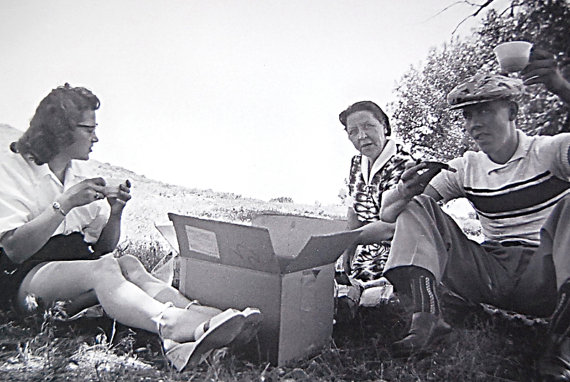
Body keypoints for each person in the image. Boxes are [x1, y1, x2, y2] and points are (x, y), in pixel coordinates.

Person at [0, 83, 262, 371]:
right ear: (61, 129)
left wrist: (115, 213)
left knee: (126, 262)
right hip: (28, 277)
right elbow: (14, 249)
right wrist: (64, 204)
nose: (96, 137)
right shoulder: (12, 169)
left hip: (77, 269)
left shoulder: (78, 172)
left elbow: (102, 249)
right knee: (104, 268)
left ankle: (202, 319)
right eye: (89, 129)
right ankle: (171, 326)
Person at [378, 48, 570, 379]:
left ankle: (563, 346)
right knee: (416, 204)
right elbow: (389, 213)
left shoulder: (550, 151)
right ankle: (428, 320)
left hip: (547, 274)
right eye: (467, 115)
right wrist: (404, 189)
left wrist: (561, 88)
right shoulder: (467, 167)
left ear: (512, 111)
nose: (474, 124)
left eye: (484, 110)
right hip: (491, 271)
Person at [335, 101, 415, 317]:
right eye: (353, 131)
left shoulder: (404, 164)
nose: (361, 136)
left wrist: (348, 240)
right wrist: (346, 254)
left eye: (368, 126)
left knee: (375, 305)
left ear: (384, 126)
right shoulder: (356, 164)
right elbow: (354, 210)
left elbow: (392, 226)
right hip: (365, 252)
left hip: (400, 252)